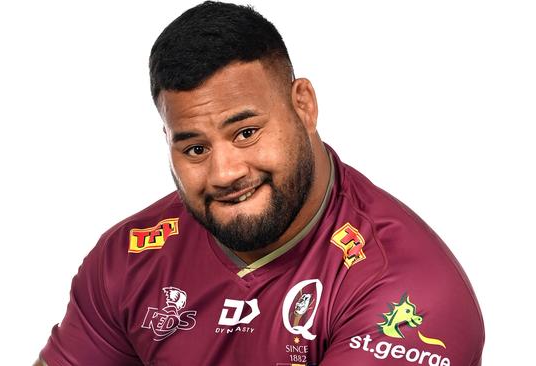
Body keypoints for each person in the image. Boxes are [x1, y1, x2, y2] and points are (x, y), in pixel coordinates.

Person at [35, 2, 484, 365]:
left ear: (303, 105)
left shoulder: (407, 291)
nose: (225, 173)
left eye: (246, 133)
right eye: (195, 148)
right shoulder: (127, 259)